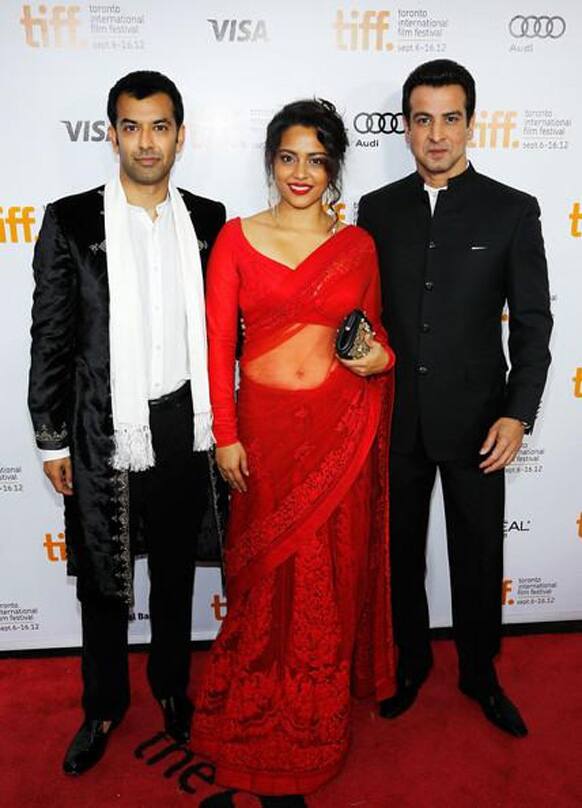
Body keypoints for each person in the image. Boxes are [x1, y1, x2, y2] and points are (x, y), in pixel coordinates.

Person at [190, 99, 395, 805]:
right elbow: (219, 347)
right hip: (265, 439)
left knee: (323, 584)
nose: (300, 173)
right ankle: (250, 707)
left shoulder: (358, 245)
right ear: (270, 161)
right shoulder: (237, 238)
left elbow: (374, 338)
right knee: (261, 577)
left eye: (315, 159)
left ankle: (313, 716)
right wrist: (225, 434)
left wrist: (377, 359)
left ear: (333, 166)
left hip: (339, 438)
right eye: (287, 157)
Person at [28, 70, 226, 774]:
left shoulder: (208, 218)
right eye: (133, 127)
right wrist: (49, 436)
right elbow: (50, 336)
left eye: (161, 126)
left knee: (173, 574)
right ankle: (103, 705)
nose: (147, 142)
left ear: (181, 134)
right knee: (104, 581)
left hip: (182, 424)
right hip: (98, 427)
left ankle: (172, 690)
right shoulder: (71, 219)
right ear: (111, 134)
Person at [358, 59, 552, 737]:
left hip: (479, 422)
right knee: (399, 554)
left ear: (471, 122)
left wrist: (518, 411)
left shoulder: (511, 209)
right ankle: (408, 665)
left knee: (477, 556)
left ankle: (479, 671)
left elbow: (533, 323)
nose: (436, 134)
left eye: (450, 118)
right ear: (406, 127)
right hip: (394, 421)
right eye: (422, 119)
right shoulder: (376, 211)